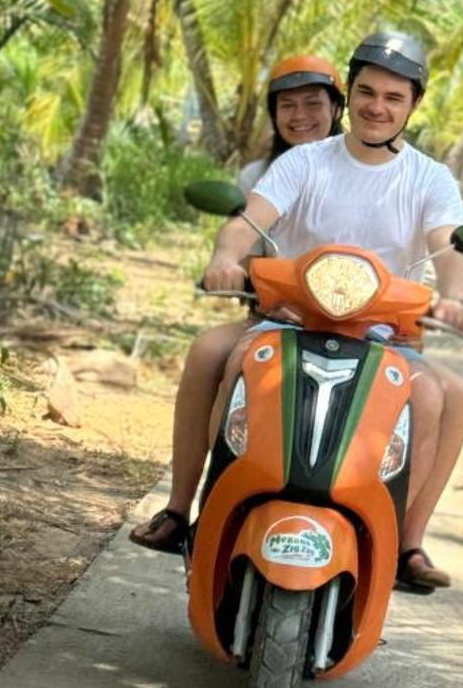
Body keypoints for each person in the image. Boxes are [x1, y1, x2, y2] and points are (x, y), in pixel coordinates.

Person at [199, 30, 463, 594]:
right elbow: (251, 218)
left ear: (414, 105)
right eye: (368, 92)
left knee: (427, 395)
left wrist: (455, 297)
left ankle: (396, 539)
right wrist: (227, 256)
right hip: (291, 323)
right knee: (237, 366)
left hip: (383, 337)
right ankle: (215, 512)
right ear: (349, 93)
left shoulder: (431, 178)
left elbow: (449, 247)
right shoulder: (305, 163)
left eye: (394, 98)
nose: (378, 107)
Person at [130, 53, 345, 553]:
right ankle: (185, 507)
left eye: (313, 104)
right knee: (210, 353)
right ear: (271, 114)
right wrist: (232, 266)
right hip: (272, 320)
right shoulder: (259, 174)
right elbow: (244, 241)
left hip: (355, 327)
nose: (300, 116)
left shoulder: (362, 171)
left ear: (338, 107)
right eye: (286, 106)